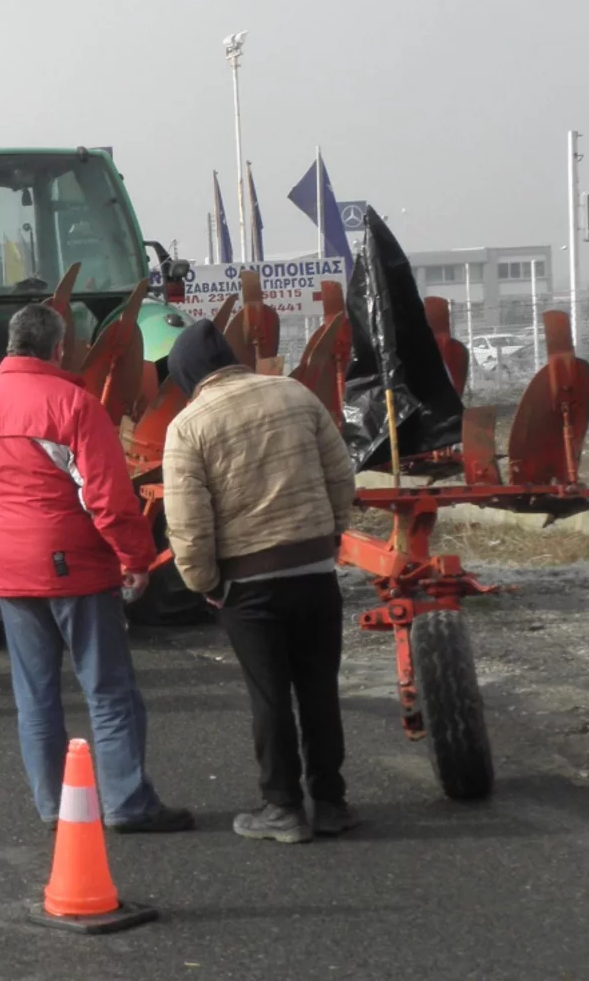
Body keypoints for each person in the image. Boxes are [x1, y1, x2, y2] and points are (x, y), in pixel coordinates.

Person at [0, 304, 193, 834]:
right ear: (58, 348)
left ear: (12, 344)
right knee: (108, 690)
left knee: (34, 695)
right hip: (76, 569)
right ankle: (127, 802)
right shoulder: (75, 407)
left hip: (11, 571)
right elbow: (107, 498)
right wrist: (134, 557)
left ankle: (55, 807)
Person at [163, 319, 358, 844]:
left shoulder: (189, 425)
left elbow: (188, 519)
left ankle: (283, 809)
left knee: (269, 695)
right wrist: (329, 535)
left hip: (250, 584)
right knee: (318, 688)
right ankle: (332, 802)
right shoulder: (294, 394)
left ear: (187, 373)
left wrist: (204, 581)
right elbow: (341, 475)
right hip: (314, 571)